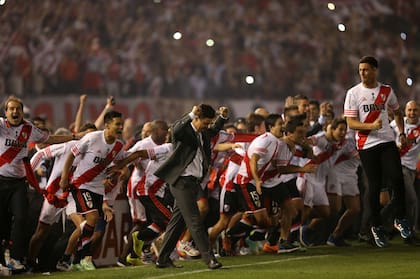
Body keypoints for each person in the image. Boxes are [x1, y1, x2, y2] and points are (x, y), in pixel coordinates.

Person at [0, 96, 79, 272]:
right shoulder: (1, 125)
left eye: (17, 109)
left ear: (21, 111)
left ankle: (15, 258)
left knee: (21, 218)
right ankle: (2, 262)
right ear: (6, 112)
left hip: (19, 183)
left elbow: (50, 139)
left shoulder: (29, 128)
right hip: (0, 180)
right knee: (2, 222)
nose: (14, 112)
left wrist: (73, 136)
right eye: (11, 109)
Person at [343, 56, 411, 248]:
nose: (362, 73)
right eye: (360, 70)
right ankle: (376, 226)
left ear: (375, 70)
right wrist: (370, 126)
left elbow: (398, 112)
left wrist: (402, 132)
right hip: (366, 144)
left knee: (397, 178)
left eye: (366, 69)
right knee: (374, 185)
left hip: (387, 140)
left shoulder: (386, 91)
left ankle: (400, 219)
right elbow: (350, 123)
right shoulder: (353, 93)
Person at [154, 104, 228, 270]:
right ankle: (209, 259)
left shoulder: (204, 133)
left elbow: (214, 130)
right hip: (181, 182)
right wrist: (190, 113)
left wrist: (222, 117)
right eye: (205, 123)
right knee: (194, 221)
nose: (207, 126)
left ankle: (162, 259)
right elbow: (175, 129)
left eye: (209, 123)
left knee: (177, 224)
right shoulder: (184, 132)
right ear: (196, 119)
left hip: (194, 182)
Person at [390, 100, 420, 238]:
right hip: (400, 166)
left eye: (415, 110)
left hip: (412, 169)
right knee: (412, 200)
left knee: (398, 200)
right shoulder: (396, 124)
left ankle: (377, 226)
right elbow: (385, 142)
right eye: (409, 110)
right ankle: (410, 233)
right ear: (405, 111)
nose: (412, 113)